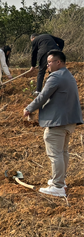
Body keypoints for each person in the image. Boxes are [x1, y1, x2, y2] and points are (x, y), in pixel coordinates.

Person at [23, 50, 83, 198]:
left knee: (55, 154)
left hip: (57, 122)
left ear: (58, 62)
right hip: (69, 121)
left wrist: (29, 108)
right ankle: (60, 181)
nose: (47, 65)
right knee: (63, 152)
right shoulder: (68, 76)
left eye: (50, 62)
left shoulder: (55, 77)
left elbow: (42, 96)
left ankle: (57, 186)